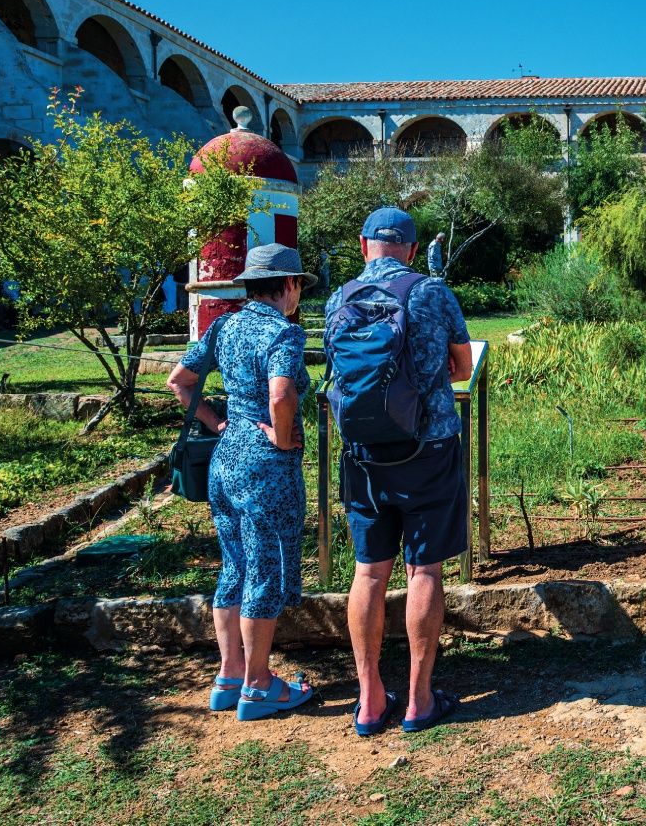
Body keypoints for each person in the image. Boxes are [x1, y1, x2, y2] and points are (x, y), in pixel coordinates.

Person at [326, 208, 472, 735]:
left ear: (364, 244)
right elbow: (462, 367)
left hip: (364, 453)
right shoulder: (433, 293)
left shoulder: (338, 299)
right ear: (411, 249)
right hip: (428, 449)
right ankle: (418, 699)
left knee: (368, 571)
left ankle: (368, 701)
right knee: (425, 571)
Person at [167, 243, 316, 721]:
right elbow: (281, 391)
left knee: (234, 566)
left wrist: (218, 424)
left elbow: (180, 380)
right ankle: (259, 686)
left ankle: (229, 675)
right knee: (266, 569)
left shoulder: (225, 326)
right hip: (265, 469)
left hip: (225, 461)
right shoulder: (283, 333)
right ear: (289, 285)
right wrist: (278, 431)